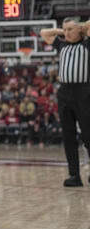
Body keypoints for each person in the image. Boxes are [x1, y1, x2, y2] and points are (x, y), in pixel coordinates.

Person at [41, 18, 90, 187]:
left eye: (70, 29)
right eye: (65, 29)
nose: (67, 32)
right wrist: (63, 31)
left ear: (80, 31)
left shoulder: (87, 44)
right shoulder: (61, 45)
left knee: (88, 135)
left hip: (84, 92)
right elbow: (44, 33)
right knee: (68, 136)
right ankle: (74, 175)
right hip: (64, 94)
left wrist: (82, 28)